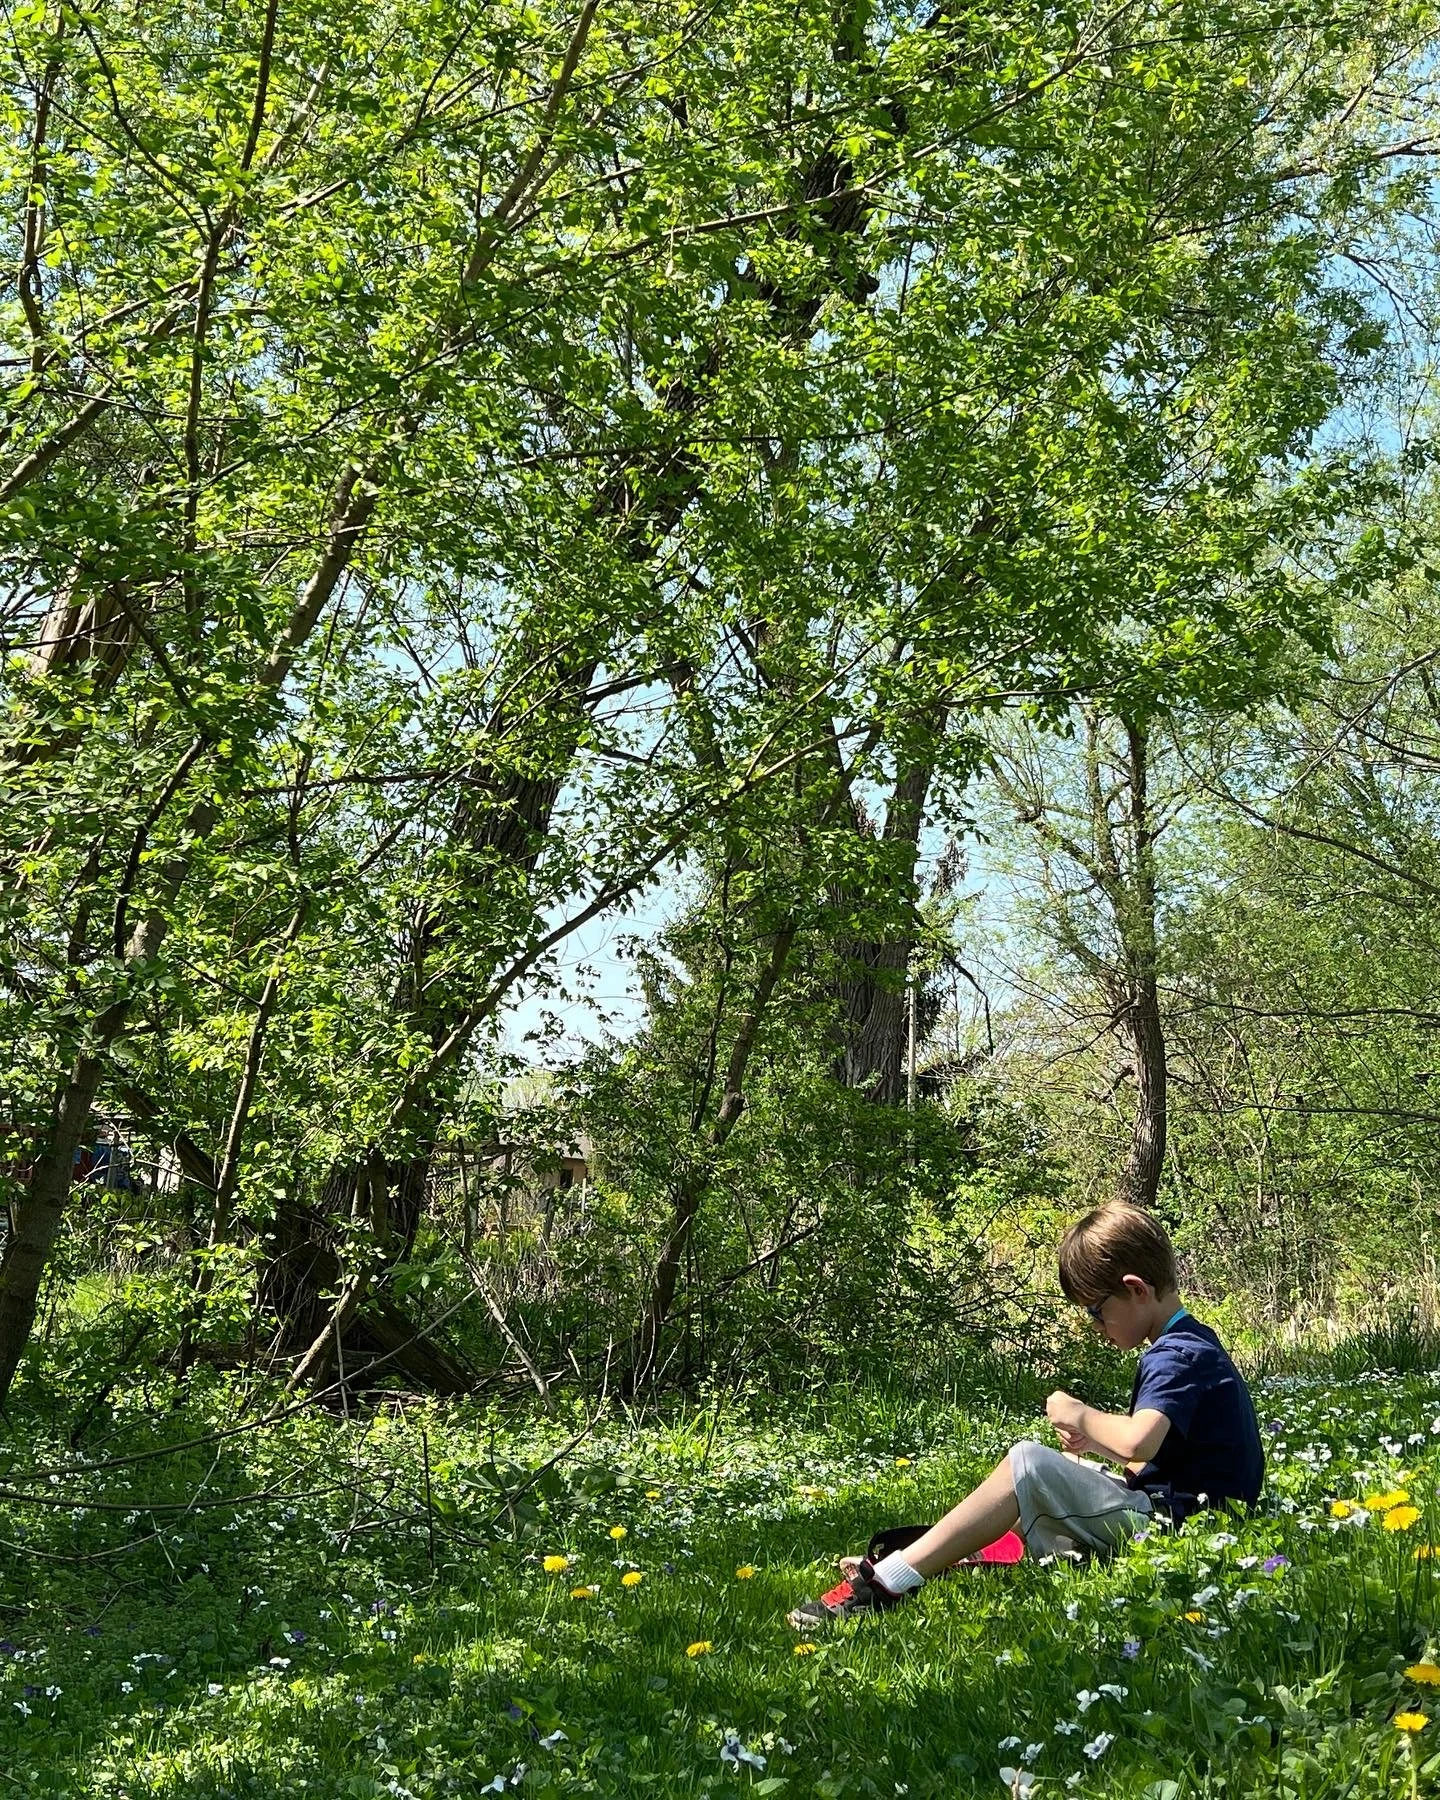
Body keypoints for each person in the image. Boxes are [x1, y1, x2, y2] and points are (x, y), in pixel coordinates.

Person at [787, 1202, 1265, 1628]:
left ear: (1135, 1289)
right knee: (1056, 1472)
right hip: (1196, 1517)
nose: (1097, 1327)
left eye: (1097, 1312)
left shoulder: (1172, 1356)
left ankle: (889, 1581)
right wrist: (1093, 1446)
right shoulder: (1195, 1340)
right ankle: (951, 1552)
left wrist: (1079, 1415)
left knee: (1027, 1462)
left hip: (1182, 1528)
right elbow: (1160, 1457)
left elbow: (1139, 1443)